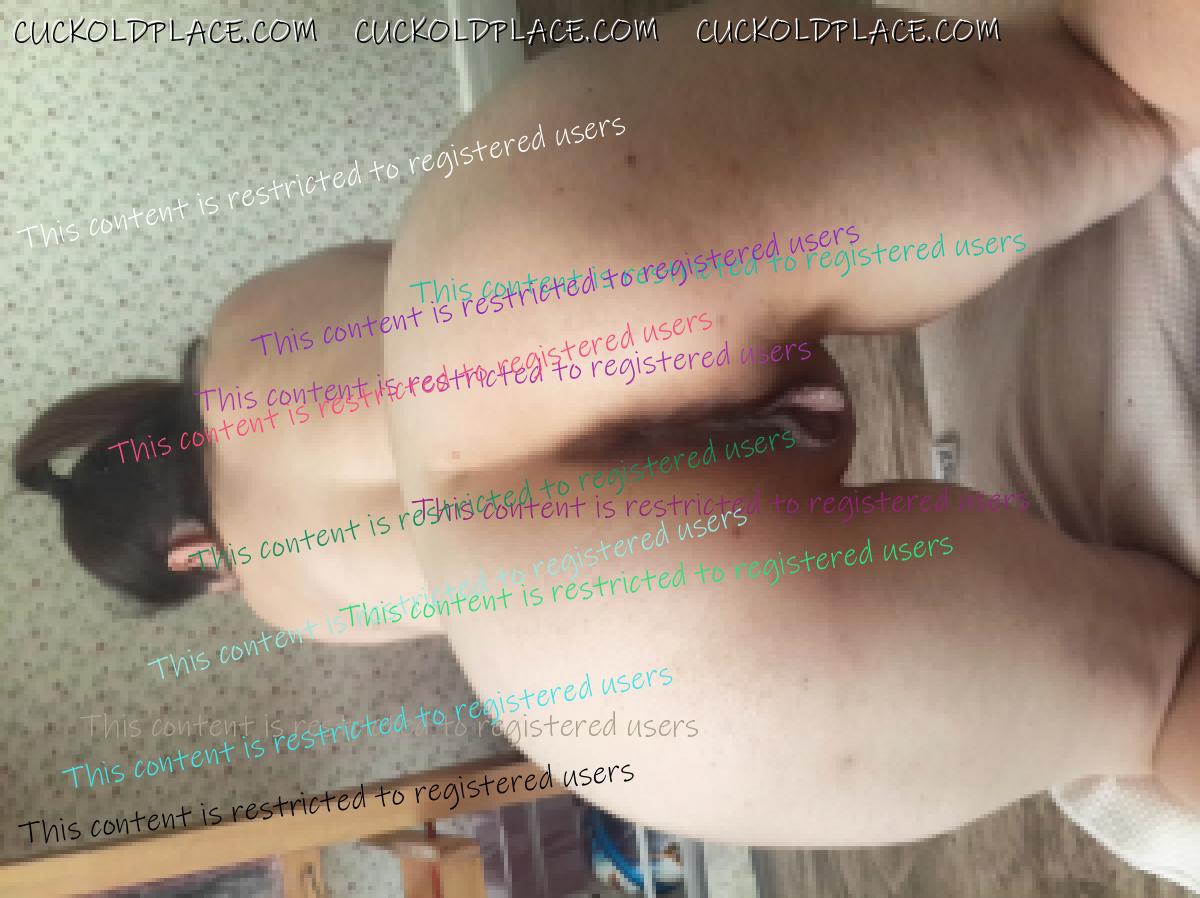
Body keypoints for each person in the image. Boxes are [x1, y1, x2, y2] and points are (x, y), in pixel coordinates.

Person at [14, 0, 1199, 855]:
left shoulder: (276, 592)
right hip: (512, 275)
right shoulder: (241, 326)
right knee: (1111, 96)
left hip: (576, 632)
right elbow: (397, 295)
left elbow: (441, 580)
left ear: (194, 561)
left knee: (1154, 696)